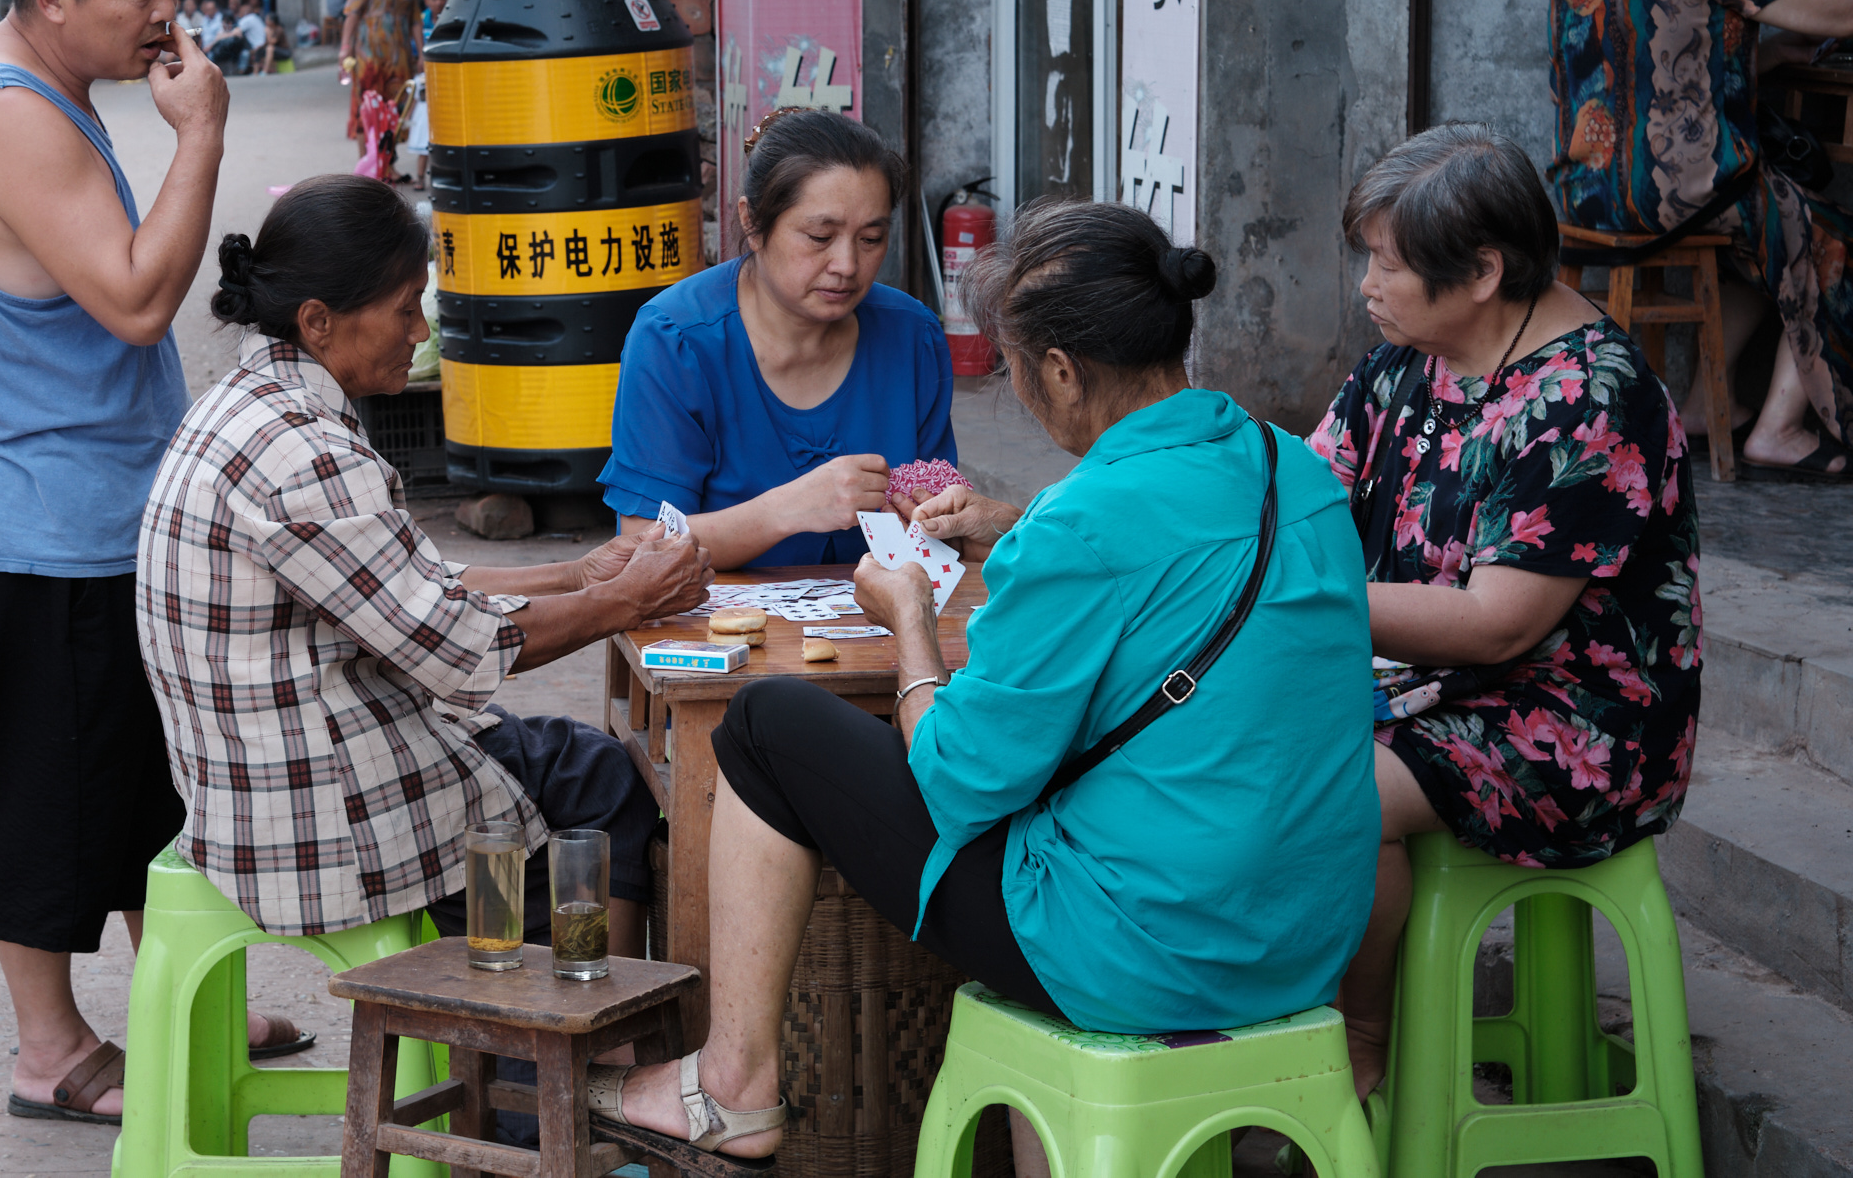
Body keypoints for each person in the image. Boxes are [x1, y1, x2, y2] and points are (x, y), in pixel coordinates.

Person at [584, 199, 1377, 1178]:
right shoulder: (1291, 470)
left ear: (1058, 370)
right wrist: (1021, 527)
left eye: (1014, 368)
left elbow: (957, 784)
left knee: (765, 725)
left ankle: (733, 1086)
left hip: (1142, 952)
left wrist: (908, 620)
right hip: (1306, 932)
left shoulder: (1080, 526)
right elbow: (1174, 575)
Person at [0, 0, 297, 1128]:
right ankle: (48, 1051)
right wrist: (202, 138)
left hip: (87, 508)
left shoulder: (27, 73)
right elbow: (136, 301)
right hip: (46, 524)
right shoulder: (11, 115)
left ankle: (175, 1001)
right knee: (46, 784)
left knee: (142, 773)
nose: (169, 13)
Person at [139, 173, 708, 953]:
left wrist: (581, 575)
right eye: (406, 308)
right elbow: (462, 647)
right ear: (320, 321)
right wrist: (627, 601)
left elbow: (415, 585)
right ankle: (555, 1052)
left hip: (257, 779)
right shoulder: (306, 454)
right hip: (320, 812)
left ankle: (537, 1039)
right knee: (601, 783)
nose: (420, 330)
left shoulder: (248, 401)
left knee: (549, 755)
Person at [1309, 125, 1701, 1100]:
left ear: (1482, 270)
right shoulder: (1408, 361)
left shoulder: (1590, 401)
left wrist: (1300, 605)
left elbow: (1496, 625)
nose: (1367, 285)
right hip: (1421, 682)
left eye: (1387, 265)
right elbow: (1303, 492)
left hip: (1567, 721)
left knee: (1326, 794)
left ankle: (1364, 1044)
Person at [1548, 0, 1853, 480]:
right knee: (1827, 230)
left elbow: (1642, 59)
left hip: (1584, 187)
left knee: (1763, 231)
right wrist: (1795, 27)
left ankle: (1695, 409)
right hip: (1669, 192)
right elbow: (1836, 10)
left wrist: (1767, 51)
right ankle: (1778, 427)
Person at [600, 108, 955, 570]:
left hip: (880, 622)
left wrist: (945, 518)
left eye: (870, 239)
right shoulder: (676, 340)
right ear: (752, 222)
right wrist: (788, 510)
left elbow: (944, 519)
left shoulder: (913, 336)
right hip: (716, 630)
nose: (847, 265)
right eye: (819, 236)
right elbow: (639, 546)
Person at [339, 0, 419, 155]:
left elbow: (415, 21)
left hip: (400, 57)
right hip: (369, 56)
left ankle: (387, 163)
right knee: (368, 108)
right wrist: (345, 48)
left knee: (395, 110)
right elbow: (352, 13)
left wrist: (421, 54)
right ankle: (366, 164)